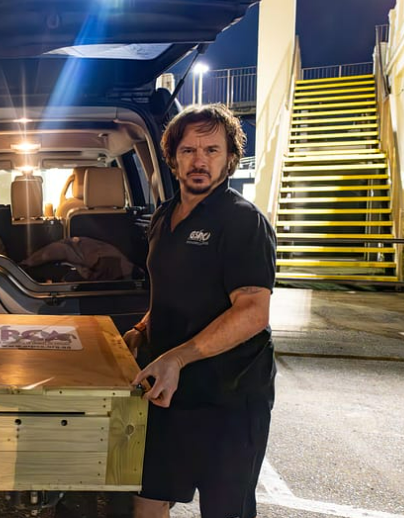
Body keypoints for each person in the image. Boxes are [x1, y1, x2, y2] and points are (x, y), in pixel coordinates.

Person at [125, 104, 276, 518]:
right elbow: (170, 293)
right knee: (148, 500)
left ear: (230, 158)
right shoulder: (162, 217)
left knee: (225, 510)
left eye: (212, 150)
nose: (199, 161)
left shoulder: (242, 221)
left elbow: (252, 311)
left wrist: (178, 356)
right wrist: (141, 330)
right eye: (188, 150)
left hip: (230, 396)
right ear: (172, 159)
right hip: (169, 391)